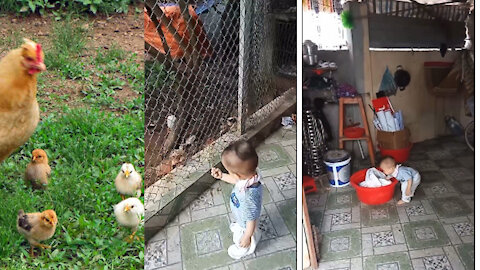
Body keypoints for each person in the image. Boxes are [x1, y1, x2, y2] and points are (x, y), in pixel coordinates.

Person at [211, 140, 262, 259]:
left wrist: (247, 236)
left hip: (246, 225)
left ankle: (244, 249)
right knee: (245, 225)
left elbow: (251, 220)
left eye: (228, 171)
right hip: (242, 216)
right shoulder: (251, 177)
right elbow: (237, 180)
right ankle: (247, 231)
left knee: (244, 238)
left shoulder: (248, 197)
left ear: (237, 175)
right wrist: (222, 176)